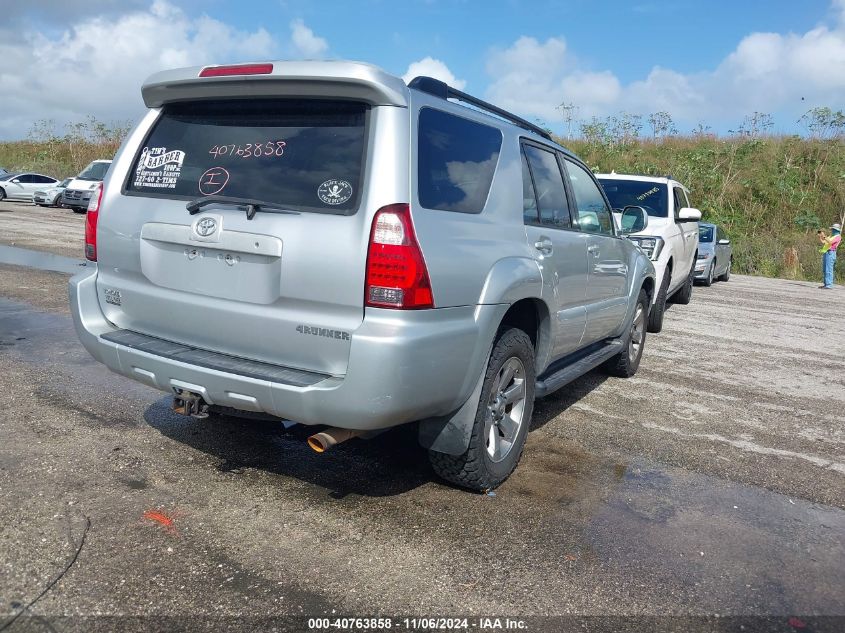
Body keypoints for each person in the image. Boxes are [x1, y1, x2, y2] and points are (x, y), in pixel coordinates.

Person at [818, 223, 841, 289]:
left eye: (833, 229)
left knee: (829, 269)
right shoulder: (831, 236)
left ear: (837, 230)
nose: (832, 230)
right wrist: (820, 236)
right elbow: (823, 242)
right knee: (825, 269)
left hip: (831, 253)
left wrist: (824, 236)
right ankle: (826, 284)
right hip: (826, 253)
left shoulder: (838, 237)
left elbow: (830, 242)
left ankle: (829, 285)